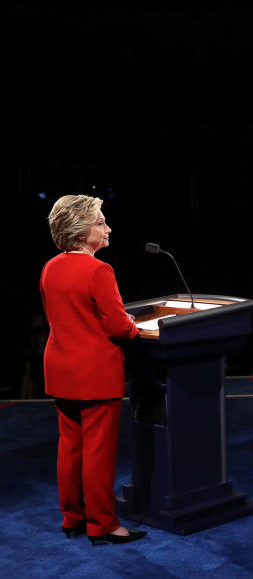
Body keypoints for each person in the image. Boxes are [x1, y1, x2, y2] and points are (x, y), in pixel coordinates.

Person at [40, 195, 147, 545]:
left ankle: (72, 517)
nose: (108, 227)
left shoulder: (50, 267)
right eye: (101, 222)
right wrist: (131, 325)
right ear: (81, 231)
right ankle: (103, 525)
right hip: (95, 372)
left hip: (61, 368)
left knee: (69, 447)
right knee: (98, 451)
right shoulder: (99, 269)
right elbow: (119, 328)